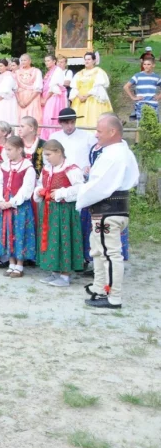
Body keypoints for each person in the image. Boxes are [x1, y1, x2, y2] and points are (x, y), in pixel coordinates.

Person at [76, 114, 139, 309]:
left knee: (110, 254)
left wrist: (80, 198)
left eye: (99, 131)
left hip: (108, 212)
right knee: (98, 250)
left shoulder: (113, 155)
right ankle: (100, 286)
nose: (96, 135)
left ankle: (113, 296)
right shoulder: (121, 152)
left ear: (112, 132)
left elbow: (99, 186)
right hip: (110, 211)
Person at [33, 140, 84, 287]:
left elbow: (80, 188)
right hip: (48, 210)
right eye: (45, 155)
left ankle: (65, 276)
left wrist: (62, 193)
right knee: (51, 239)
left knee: (63, 239)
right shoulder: (47, 169)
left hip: (64, 211)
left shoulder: (71, 169)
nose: (46, 158)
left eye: (49, 154)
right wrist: (39, 191)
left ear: (59, 152)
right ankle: (54, 271)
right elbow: (40, 184)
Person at [0, 137, 37, 278]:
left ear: (19, 150)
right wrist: (0, 200)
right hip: (5, 203)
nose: (7, 152)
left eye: (10, 149)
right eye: (6, 149)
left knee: (19, 232)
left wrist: (13, 202)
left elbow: (27, 188)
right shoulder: (4, 166)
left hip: (19, 206)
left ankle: (19, 264)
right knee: (7, 232)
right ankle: (11, 262)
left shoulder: (27, 167)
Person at [69, 52, 112, 128]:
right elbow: (74, 87)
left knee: (93, 118)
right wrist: (79, 95)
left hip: (92, 98)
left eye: (89, 59)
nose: (86, 61)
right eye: (85, 59)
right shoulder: (80, 73)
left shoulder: (98, 72)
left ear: (94, 61)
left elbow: (98, 87)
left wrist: (87, 95)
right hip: (80, 99)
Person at [40, 54, 71, 139]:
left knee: (51, 118)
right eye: (45, 61)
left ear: (54, 61)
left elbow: (54, 87)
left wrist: (45, 99)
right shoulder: (49, 72)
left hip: (54, 97)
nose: (46, 63)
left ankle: (54, 138)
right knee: (46, 119)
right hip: (48, 97)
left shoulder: (57, 70)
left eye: (48, 61)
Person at [124, 55, 160, 121]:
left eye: (148, 64)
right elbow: (126, 87)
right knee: (141, 123)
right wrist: (133, 97)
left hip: (153, 104)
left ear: (153, 65)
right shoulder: (137, 76)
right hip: (141, 104)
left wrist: (159, 96)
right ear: (142, 65)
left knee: (154, 123)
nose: (146, 66)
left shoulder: (156, 77)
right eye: (144, 64)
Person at [14, 54, 43, 123]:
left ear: (30, 61)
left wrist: (27, 101)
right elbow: (14, 88)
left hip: (32, 97)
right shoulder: (17, 72)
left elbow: (38, 89)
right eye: (21, 60)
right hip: (20, 97)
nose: (23, 62)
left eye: (25, 60)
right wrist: (19, 101)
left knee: (32, 116)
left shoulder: (36, 71)